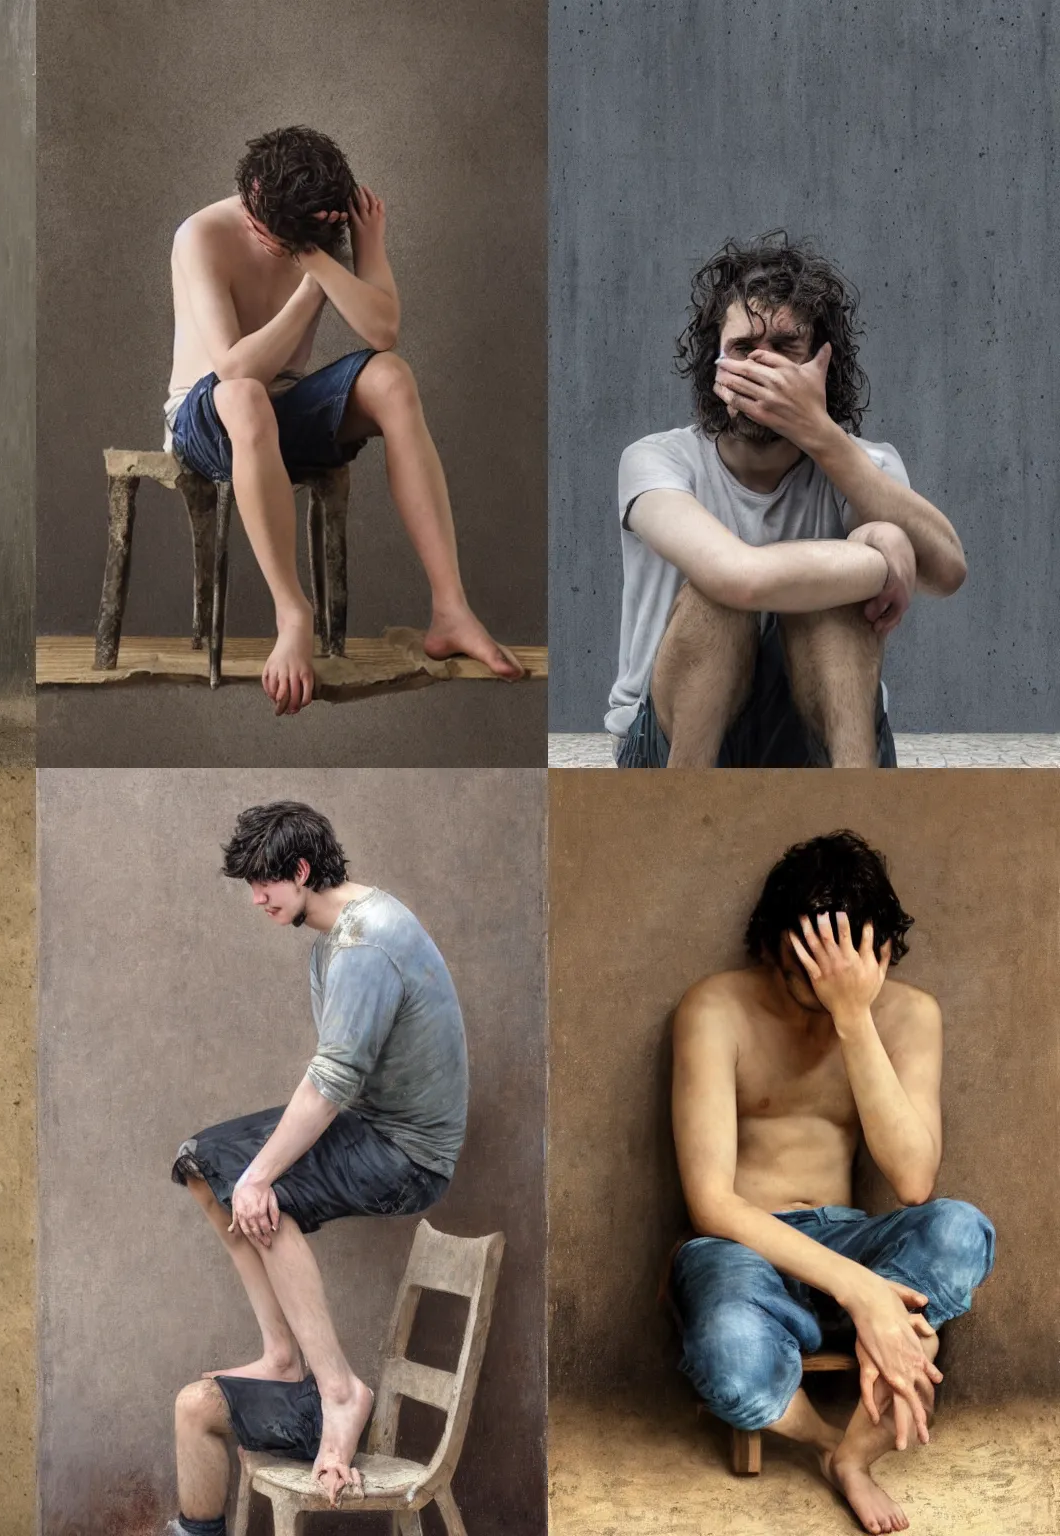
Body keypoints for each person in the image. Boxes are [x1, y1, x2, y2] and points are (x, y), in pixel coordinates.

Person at [671, 832, 994, 1533]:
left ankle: (863, 1437)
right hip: (743, 1250)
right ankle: (831, 1447)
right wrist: (867, 1294)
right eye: (805, 975)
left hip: (853, 1237)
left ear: (879, 956)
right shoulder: (716, 1008)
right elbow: (711, 1202)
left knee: (962, 1230)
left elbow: (912, 1180)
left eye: (842, 975)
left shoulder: (909, 1015)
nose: (821, 995)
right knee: (729, 1354)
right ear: (768, 949)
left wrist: (855, 1016)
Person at [165, 802, 468, 1529]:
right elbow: (341, 1078)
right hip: (377, 1125)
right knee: (205, 1163)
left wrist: (263, 1176)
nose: (256, 899)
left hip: (407, 1155)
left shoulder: (365, 944)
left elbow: (332, 1084)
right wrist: (252, 1175)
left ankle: (338, 1390)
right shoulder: (332, 942)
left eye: (265, 883)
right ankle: (281, 1355)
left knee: (252, 1181)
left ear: (301, 871)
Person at [166, 125, 523, 715]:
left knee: (392, 376)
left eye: (307, 240)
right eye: (283, 237)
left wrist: (349, 248)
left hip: (287, 408)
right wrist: (314, 284)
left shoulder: (320, 228)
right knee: (247, 396)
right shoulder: (200, 235)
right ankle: (292, 611)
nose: (288, 251)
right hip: (209, 415)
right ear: (254, 194)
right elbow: (234, 369)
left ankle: (451, 608)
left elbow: (382, 331)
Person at [609, 234, 967, 766]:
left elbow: (949, 570)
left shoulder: (862, 464)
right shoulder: (657, 460)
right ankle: (677, 827)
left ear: (821, 363)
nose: (762, 366)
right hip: (672, 744)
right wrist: (880, 555)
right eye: (743, 350)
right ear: (714, 366)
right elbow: (739, 579)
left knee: (833, 609)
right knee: (718, 602)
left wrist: (821, 436)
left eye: (784, 347)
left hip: (823, 739)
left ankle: (857, 820)